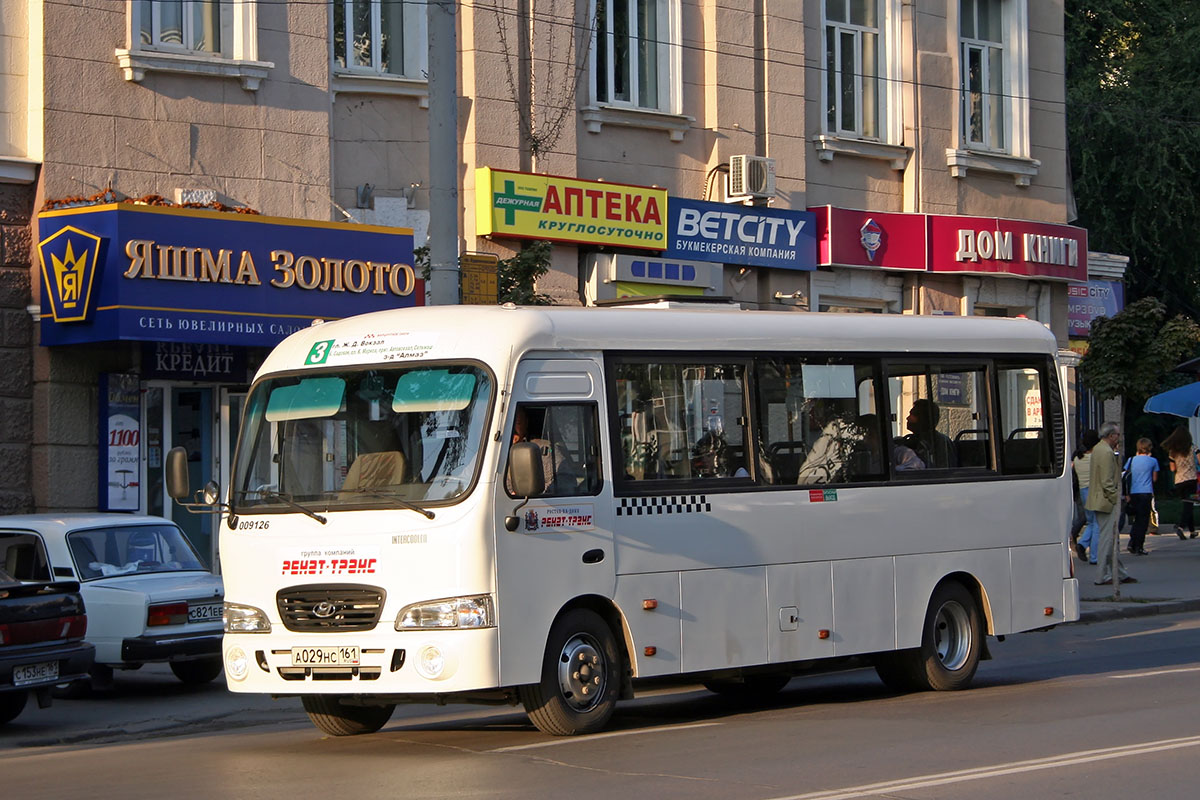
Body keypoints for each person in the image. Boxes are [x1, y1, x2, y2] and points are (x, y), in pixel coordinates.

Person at [1086, 421, 1135, 585]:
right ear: (1111, 435)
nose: (1119, 437)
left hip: (1099, 498)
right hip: (1106, 500)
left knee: (1111, 539)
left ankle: (1119, 573)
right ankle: (1102, 576)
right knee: (1108, 539)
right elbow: (1107, 481)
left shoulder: (1099, 448)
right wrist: (1116, 499)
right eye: (1117, 434)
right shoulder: (1106, 452)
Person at [1162, 425, 1199, 540]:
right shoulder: (1193, 447)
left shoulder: (1172, 452)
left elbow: (1173, 469)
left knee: (1188, 504)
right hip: (1191, 480)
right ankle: (1181, 527)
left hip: (1179, 482)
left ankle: (1192, 531)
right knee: (1189, 504)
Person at [1123, 438, 1158, 556]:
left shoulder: (1131, 460)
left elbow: (1125, 475)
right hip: (1146, 492)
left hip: (1133, 492)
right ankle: (1139, 546)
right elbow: (1154, 479)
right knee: (1143, 521)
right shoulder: (1153, 461)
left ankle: (1132, 541)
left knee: (1136, 519)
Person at [902, 399, 956, 469]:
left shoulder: (940, 442)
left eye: (913, 415)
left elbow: (941, 470)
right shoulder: (913, 439)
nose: (908, 418)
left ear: (923, 418)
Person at [1072, 429, 1100, 563]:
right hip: (1095, 490)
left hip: (1083, 491)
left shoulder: (1078, 458)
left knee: (1091, 522)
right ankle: (1095, 556)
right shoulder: (1095, 457)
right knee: (1098, 523)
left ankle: (1082, 544)